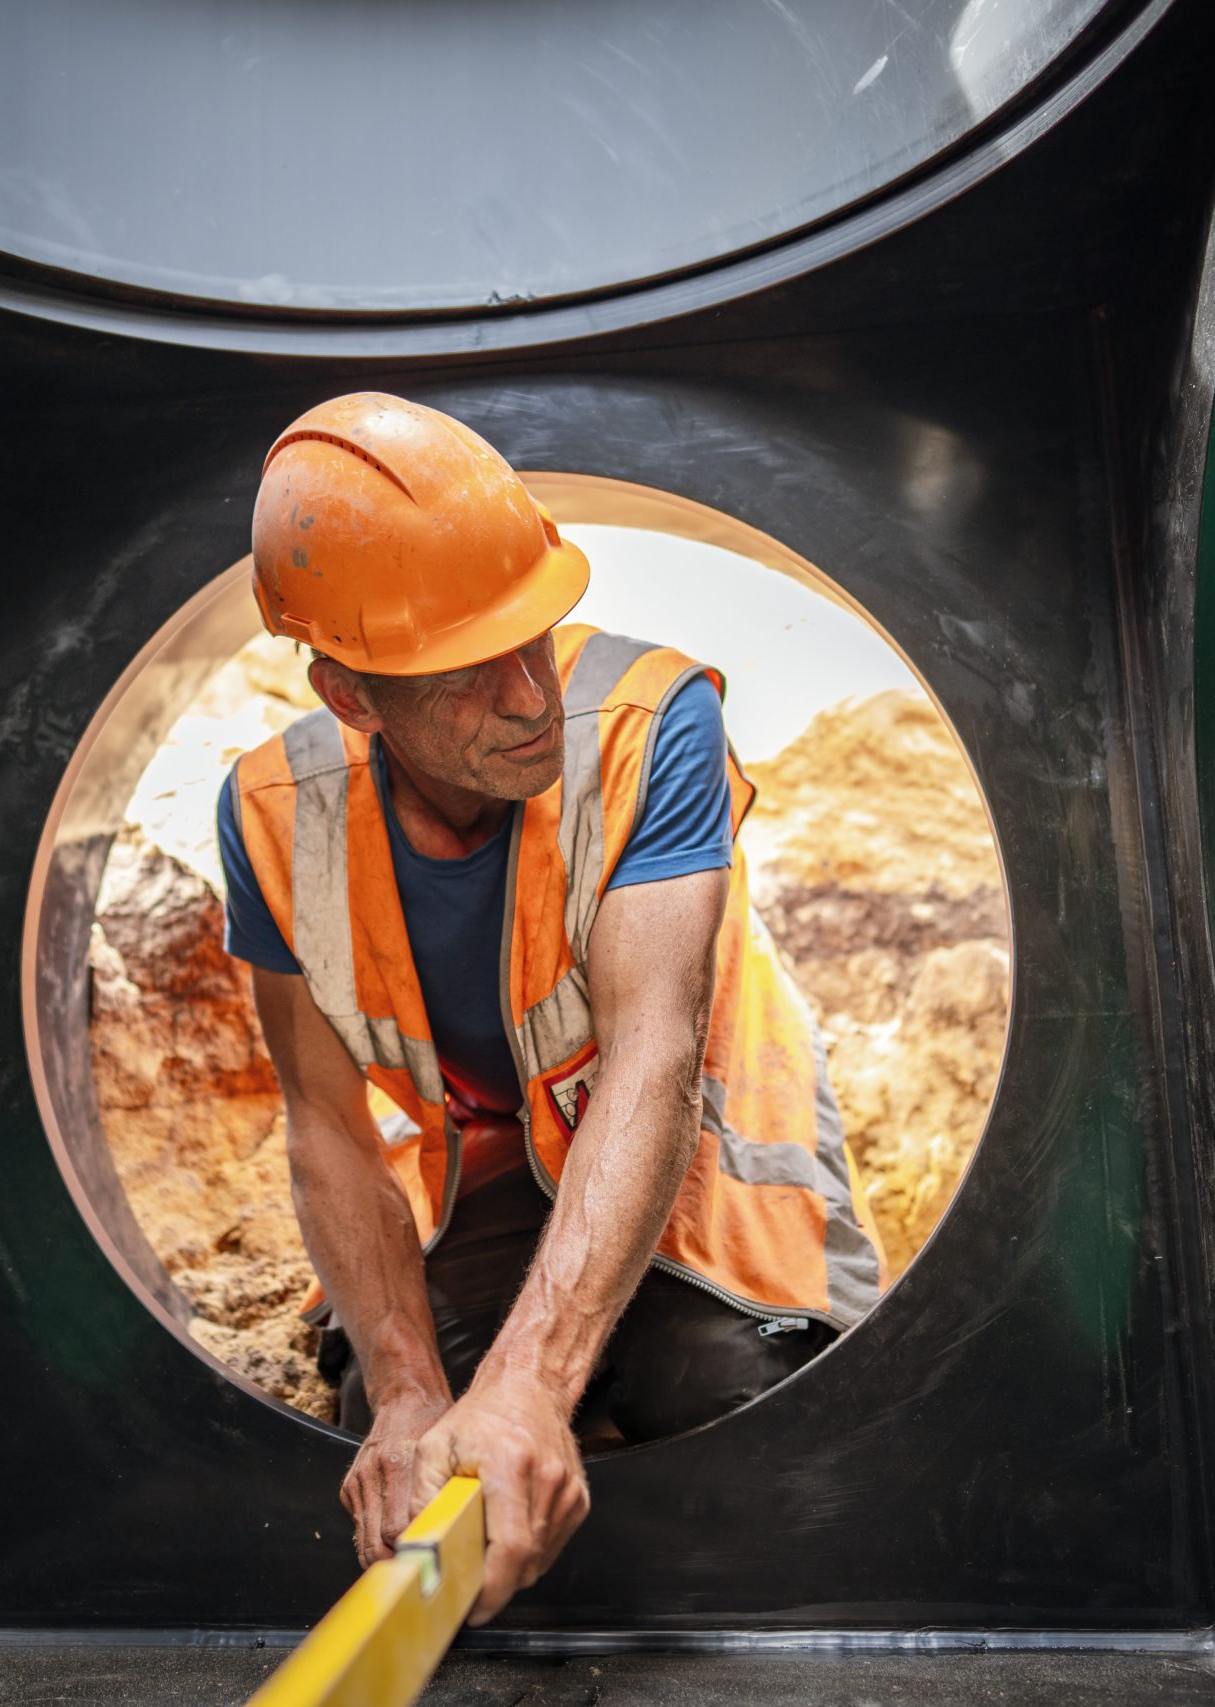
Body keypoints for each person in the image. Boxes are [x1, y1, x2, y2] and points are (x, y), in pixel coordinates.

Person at [215, 393, 880, 1623]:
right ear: (351, 695)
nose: (529, 697)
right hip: (493, 1157)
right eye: (468, 674)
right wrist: (410, 1390)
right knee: (396, 1450)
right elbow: (327, 1126)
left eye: (534, 637)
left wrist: (531, 1384)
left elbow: (650, 1055)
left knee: (733, 1404)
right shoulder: (270, 814)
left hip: (701, 1137)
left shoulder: (648, 722)